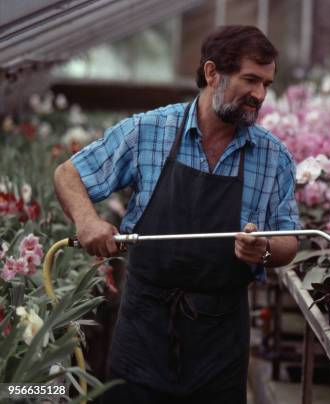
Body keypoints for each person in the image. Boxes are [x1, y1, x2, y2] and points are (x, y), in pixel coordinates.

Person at [53, 25, 300, 404]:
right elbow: (69, 174)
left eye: (267, 84)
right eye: (251, 80)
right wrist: (88, 221)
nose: (260, 95)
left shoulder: (273, 157)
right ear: (212, 72)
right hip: (144, 331)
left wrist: (264, 248)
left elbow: (289, 239)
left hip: (220, 343)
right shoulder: (148, 131)